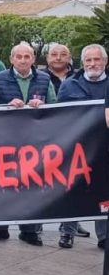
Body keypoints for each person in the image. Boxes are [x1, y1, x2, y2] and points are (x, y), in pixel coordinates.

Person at [0, 42, 55, 246]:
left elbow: (56, 106)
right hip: (5, 141)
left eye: (27, 56)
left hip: (34, 142)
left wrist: (43, 105)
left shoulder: (45, 79)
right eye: (19, 57)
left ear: (33, 59)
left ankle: (29, 231)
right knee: (2, 186)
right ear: (11, 59)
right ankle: (0, 228)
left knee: (32, 186)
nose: (23, 60)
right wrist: (6, 105)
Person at [57, 44, 109, 249]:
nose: (92, 64)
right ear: (82, 63)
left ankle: (104, 236)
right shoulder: (69, 85)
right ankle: (67, 232)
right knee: (73, 189)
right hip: (77, 148)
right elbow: (58, 116)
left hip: (105, 148)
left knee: (105, 192)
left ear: (105, 62)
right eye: (88, 60)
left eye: (97, 59)